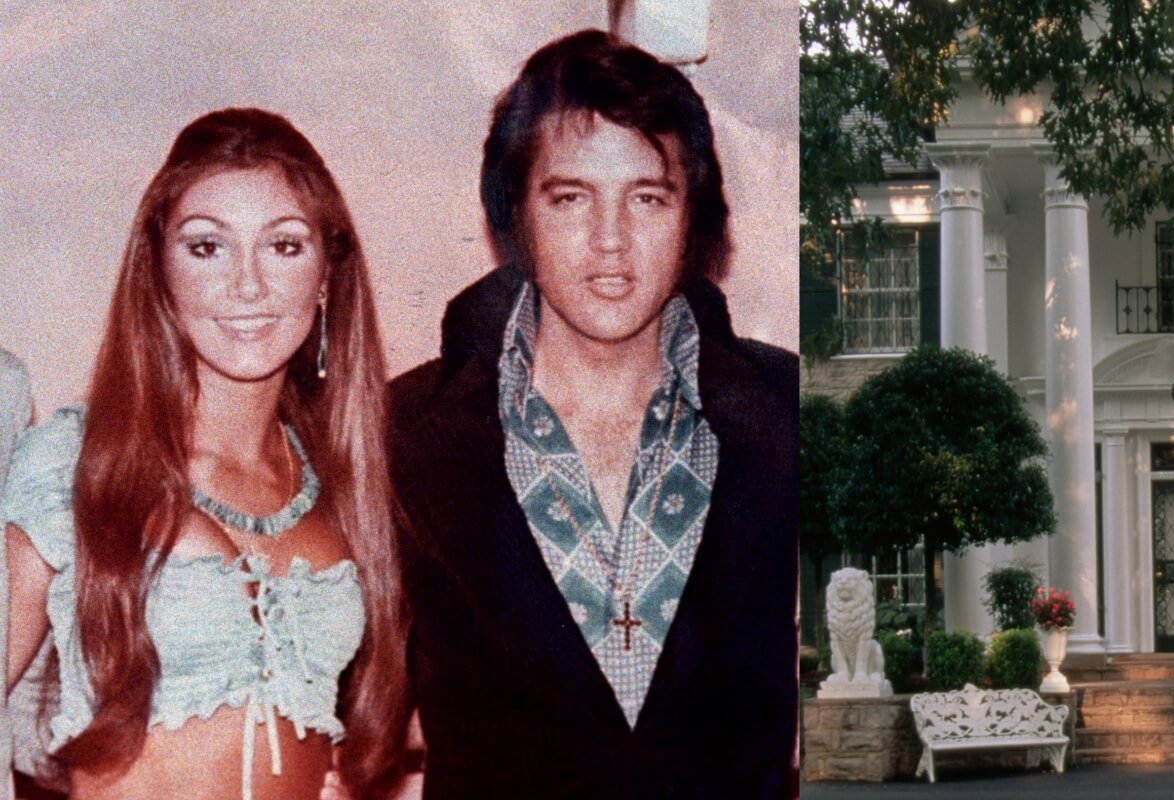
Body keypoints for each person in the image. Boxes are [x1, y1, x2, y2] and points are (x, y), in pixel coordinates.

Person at [389, 30, 798, 797]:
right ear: (516, 212)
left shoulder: (784, 415)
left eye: (646, 198)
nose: (610, 242)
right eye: (571, 198)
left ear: (691, 217)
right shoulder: (401, 434)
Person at [1, 109, 409, 800]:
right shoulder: (74, 464)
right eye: (206, 247)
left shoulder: (344, 478)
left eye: (283, 246)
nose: (247, 286)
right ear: (158, 270)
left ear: (327, 276)